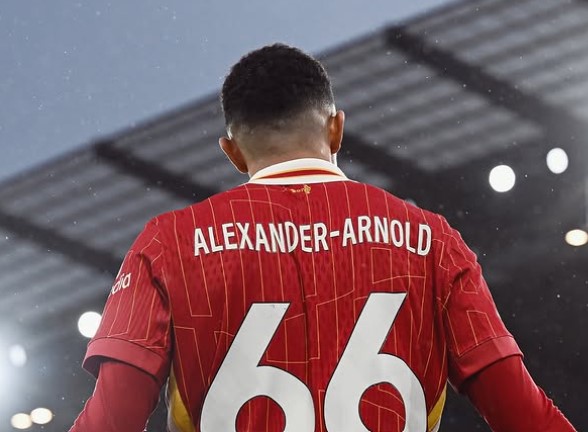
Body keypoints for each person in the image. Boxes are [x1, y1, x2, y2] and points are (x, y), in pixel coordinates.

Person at [69, 43, 576, 432]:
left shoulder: (167, 244)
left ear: (232, 152)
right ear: (336, 129)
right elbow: (523, 413)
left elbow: (113, 418)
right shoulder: (431, 240)